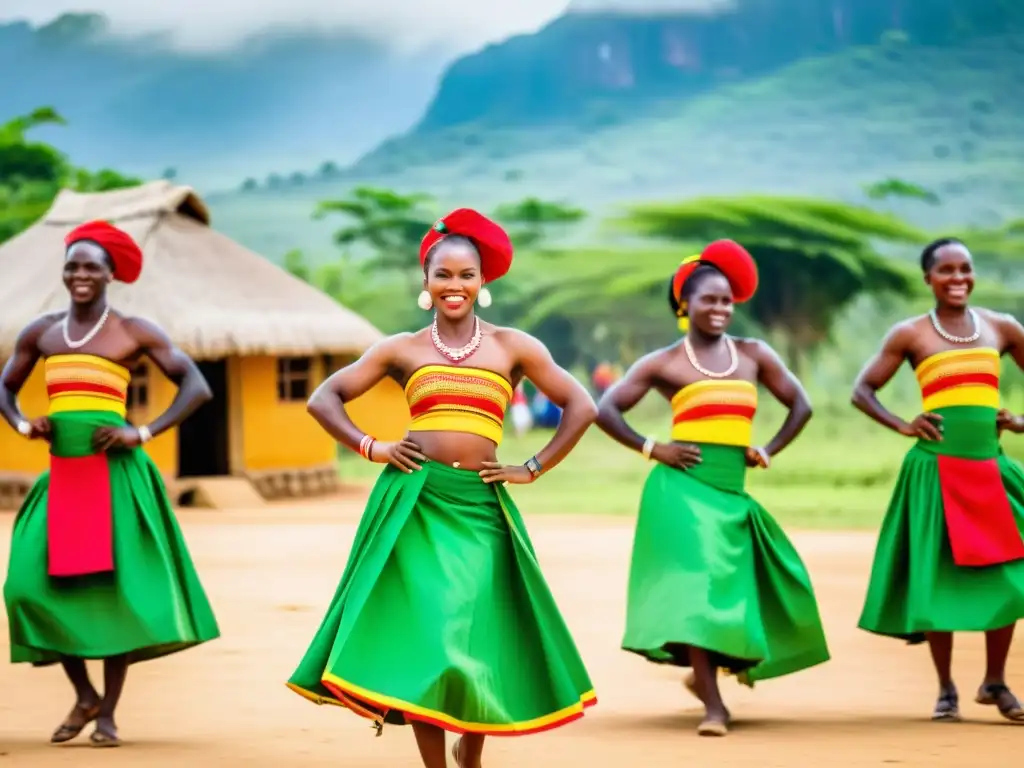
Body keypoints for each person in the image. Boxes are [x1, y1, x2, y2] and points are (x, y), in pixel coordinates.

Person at [286, 209, 598, 768]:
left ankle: (470, 751)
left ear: (484, 283)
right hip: (416, 504)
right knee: (432, 637)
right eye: (443, 276)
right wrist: (373, 447)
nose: (455, 286)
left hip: (480, 506)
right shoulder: (401, 349)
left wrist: (532, 466)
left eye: (466, 275)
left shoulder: (513, 347)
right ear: (425, 283)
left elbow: (583, 405)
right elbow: (323, 399)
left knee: (472, 634)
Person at [595, 240, 830, 737]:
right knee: (697, 589)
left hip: (731, 491)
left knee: (734, 587)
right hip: (680, 492)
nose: (720, 309)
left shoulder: (753, 355)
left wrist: (766, 449)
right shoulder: (664, 363)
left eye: (727, 301)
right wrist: (652, 447)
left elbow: (801, 405)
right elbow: (606, 410)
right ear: (686, 305)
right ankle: (715, 708)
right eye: (709, 300)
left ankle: (705, 675)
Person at [1, 220, 221, 747]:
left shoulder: (133, 330)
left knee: (116, 592)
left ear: (110, 274)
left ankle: (108, 715)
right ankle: (83, 693)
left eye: (91, 266)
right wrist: (27, 424)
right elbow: (5, 387)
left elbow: (196, 386)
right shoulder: (42, 332)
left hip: (116, 477)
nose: (80, 274)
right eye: (73, 265)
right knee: (27, 587)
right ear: (64, 271)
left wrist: (141, 432)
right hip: (63, 476)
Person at [852, 237, 1024, 723]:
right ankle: (945, 687)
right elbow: (862, 390)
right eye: (945, 270)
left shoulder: (1003, 327)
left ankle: (995, 681)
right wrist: (903, 424)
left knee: (1011, 576)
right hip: (936, 470)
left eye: (965, 269)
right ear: (927, 278)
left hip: (989, 468)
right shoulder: (910, 334)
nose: (957, 279)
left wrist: (1018, 423)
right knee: (937, 577)